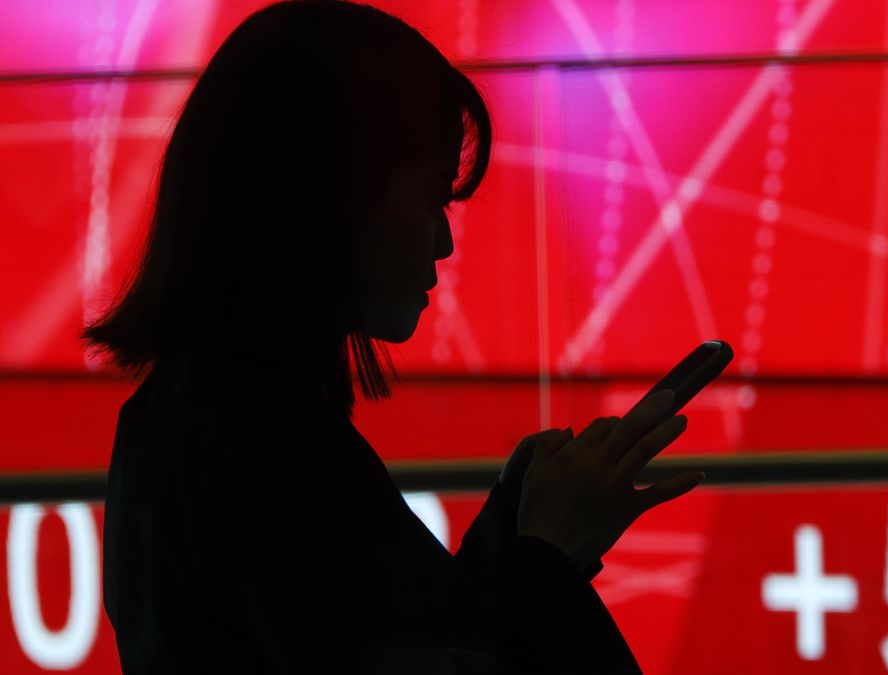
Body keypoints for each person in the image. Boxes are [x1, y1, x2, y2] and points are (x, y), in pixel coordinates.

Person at [80, 1, 706, 673]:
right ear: (329, 198)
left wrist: (520, 534)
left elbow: (397, 631)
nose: (441, 242)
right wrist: (549, 551)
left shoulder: (173, 421)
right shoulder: (282, 453)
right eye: (432, 196)